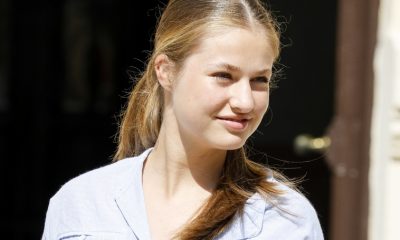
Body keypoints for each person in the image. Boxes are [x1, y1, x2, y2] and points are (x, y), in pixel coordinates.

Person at [42, 0, 324, 239]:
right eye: (223, 76)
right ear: (165, 71)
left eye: (260, 80)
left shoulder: (285, 220)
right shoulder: (81, 203)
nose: (245, 101)